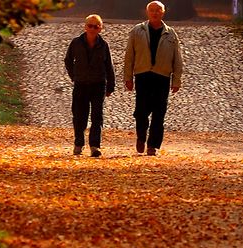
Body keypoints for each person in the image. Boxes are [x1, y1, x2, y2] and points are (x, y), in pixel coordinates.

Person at [123, 1, 184, 156]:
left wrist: (176, 80)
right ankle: (141, 137)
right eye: (152, 10)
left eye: (158, 10)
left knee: (159, 113)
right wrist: (128, 77)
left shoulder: (171, 33)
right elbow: (129, 56)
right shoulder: (138, 31)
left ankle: (153, 145)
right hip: (143, 75)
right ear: (147, 12)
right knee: (141, 112)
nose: (155, 13)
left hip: (162, 77)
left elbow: (177, 59)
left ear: (163, 13)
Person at [64, 14, 116, 158]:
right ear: (85, 27)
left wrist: (111, 85)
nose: (92, 28)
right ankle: (79, 143)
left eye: (96, 26)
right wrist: (74, 76)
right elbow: (68, 60)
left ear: (100, 28)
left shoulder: (104, 45)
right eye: (90, 26)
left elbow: (109, 66)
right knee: (79, 115)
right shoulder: (76, 43)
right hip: (81, 84)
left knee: (97, 116)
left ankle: (95, 145)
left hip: (98, 84)